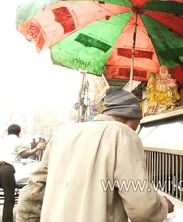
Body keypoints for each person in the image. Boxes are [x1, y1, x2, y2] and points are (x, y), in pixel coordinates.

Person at [16, 87, 174, 222]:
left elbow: (34, 189)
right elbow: (142, 207)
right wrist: (164, 205)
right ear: (132, 117)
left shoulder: (63, 133)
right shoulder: (123, 134)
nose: (137, 128)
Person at [0, 124, 46, 222]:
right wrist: (37, 148)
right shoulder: (17, 141)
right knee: (9, 198)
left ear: (8, 132)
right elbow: (24, 154)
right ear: (19, 132)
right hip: (5, 169)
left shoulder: (2, 140)